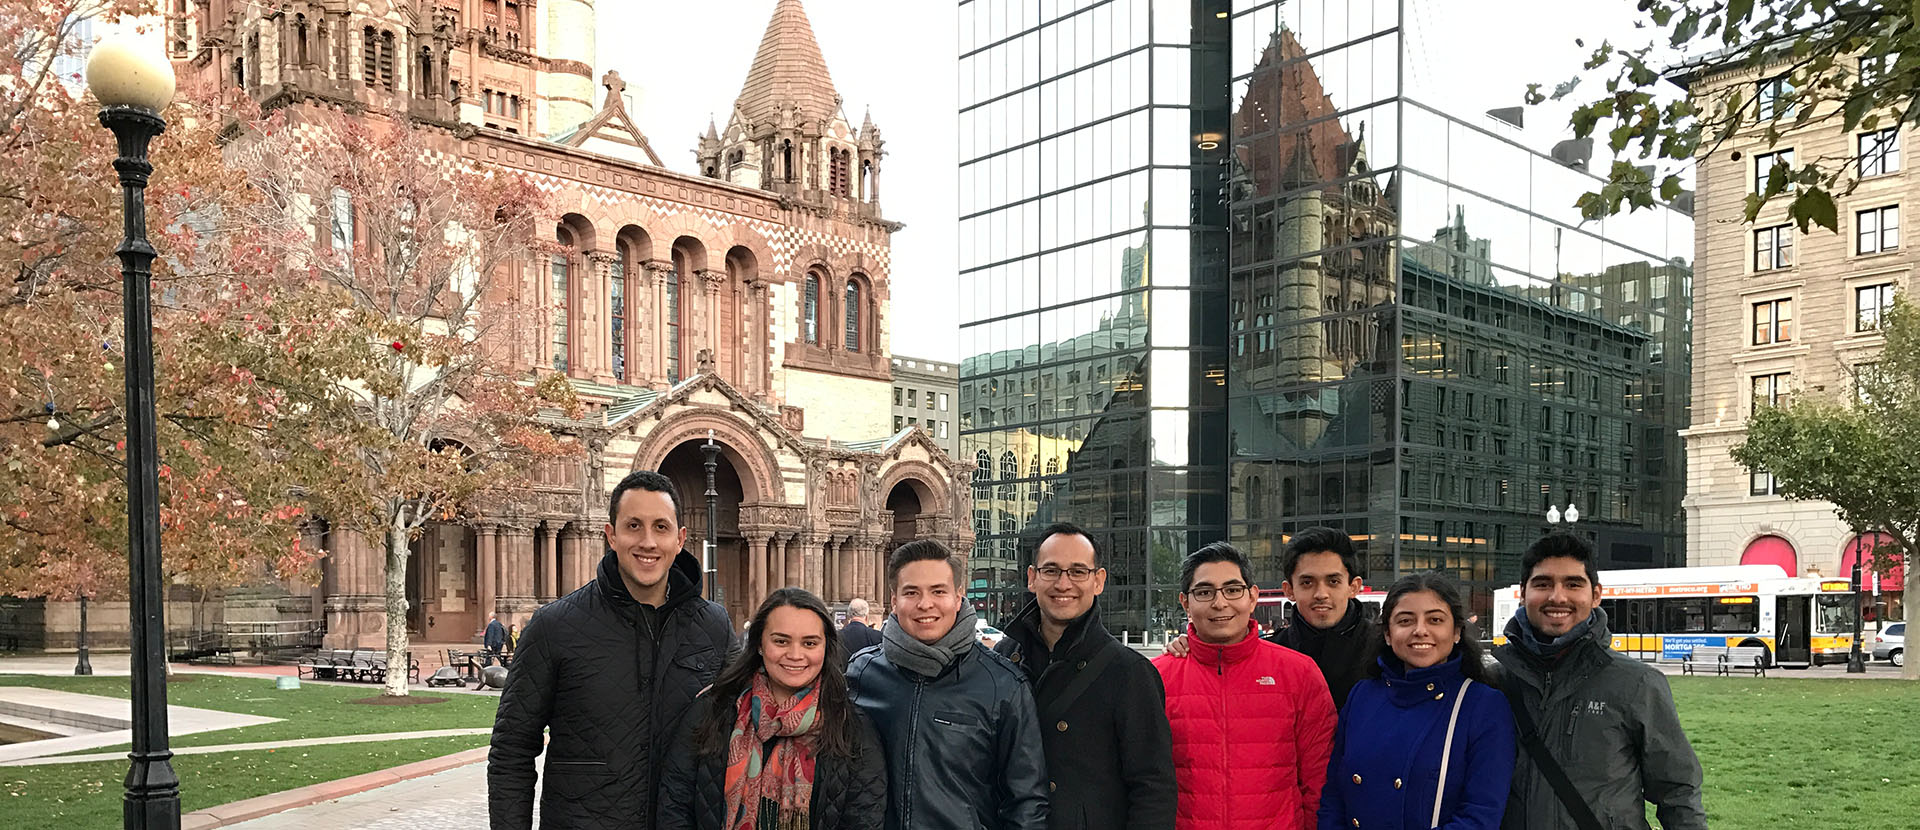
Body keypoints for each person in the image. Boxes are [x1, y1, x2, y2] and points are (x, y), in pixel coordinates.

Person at [488, 470, 734, 829]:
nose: (648, 542)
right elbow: (512, 749)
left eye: (661, 527)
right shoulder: (554, 626)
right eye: (633, 526)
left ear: (680, 539)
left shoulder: (714, 626)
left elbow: (749, 726)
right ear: (611, 535)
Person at [1495, 533, 1706, 830]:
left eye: (1573, 584)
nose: (1557, 597)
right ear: (1523, 593)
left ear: (1596, 595)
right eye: (1543, 584)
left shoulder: (1638, 684)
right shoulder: (1494, 683)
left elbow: (1678, 791)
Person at [846, 539, 1048, 830]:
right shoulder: (862, 672)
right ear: (894, 601)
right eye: (911, 592)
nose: (925, 604)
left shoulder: (1002, 684)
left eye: (938, 591)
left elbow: (1026, 802)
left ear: (958, 597)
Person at [993, 523, 1176, 830]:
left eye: (1078, 571)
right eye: (1051, 570)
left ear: (1098, 580)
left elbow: (1153, 788)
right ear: (1032, 578)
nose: (1063, 584)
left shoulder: (1129, 672)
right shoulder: (1003, 657)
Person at [658, 587, 886, 830]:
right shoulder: (713, 709)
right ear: (759, 644)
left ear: (825, 648)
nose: (795, 654)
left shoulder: (853, 728)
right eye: (781, 641)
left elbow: (864, 818)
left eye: (809, 643)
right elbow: (675, 803)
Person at [1155, 542, 1335, 830]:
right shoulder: (1156, 678)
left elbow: (1319, 778)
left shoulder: (1298, 673)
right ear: (1185, 602)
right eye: (1204, 592)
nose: (1219, 603)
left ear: (1252, 597)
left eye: (1232, 590)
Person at [1317, 571, 1514, 830]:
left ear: (1456, 632)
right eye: (1405, 620)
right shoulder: (1362, 696)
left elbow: (1480, 816)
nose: (1420, 631)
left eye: (1435, 620)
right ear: (1388, 634)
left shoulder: (1482, 705)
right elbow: (1334, 794)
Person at [1163, 527, 1378, 709]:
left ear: (1354, 587)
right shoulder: (1269, 654)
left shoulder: (1382, 649)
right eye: (1307, 583)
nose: (1321, 594)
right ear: (1289, 590)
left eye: (1333, 582)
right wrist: (1195, 645)